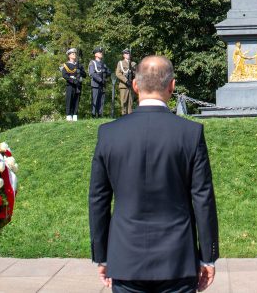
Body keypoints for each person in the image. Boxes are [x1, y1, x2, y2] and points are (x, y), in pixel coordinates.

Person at [90, 55, 219, 292]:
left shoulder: (109, 134)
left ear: (135, 86)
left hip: (125, 257)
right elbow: (203, 199)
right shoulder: (190, 133)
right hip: (178, 259)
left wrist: (102, 255)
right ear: (172, 85)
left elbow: (98, 199)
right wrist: (208, 256)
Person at [60, 47, 87, 121]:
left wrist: (80, 71)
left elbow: (85, 75)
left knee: (76, 100)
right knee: (69, 100)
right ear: (69, 55)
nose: (74, 55)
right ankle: (69, 116)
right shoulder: (66, 65)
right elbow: (64, 75)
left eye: (75, 53)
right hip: (70, 85)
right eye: (72, 54)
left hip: (78, 85)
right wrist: (72, 80)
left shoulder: (79, 65)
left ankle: (75, 115)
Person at [89, 47, 111, 118]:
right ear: (95, 54)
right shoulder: (92, 63)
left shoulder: (103, 64)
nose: (101, 54)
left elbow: (108, 72)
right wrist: (100, 80)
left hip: (103, 84)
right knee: (95, 100)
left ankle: (100, 114)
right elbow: (92, 73)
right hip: (96, 84)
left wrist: (107, 73)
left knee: (101, 100)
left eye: (101, 52)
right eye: (99, 52)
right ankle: (93, 115)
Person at [115, 49, 137, 116]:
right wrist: (126, 80)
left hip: (131, 85)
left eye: (129, 54)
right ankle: (123, 115)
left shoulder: (133, 64)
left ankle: (129, 116)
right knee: (124, 102)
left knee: (130, 102)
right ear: (124, 55)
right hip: (124, 85)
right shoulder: (121, 63)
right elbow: (118, 73)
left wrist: (133, 73)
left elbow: (137, 74)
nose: (128, 55)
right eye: (127, 54)